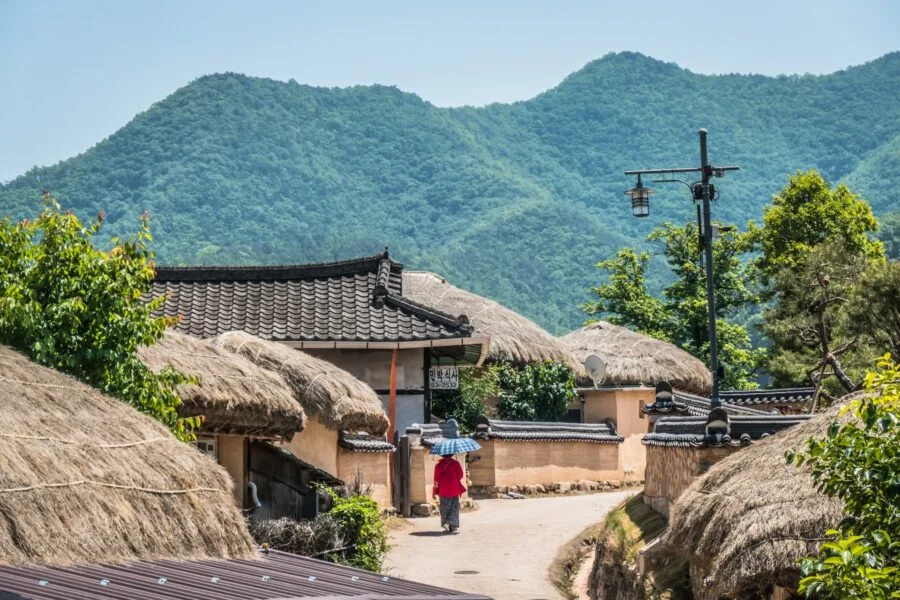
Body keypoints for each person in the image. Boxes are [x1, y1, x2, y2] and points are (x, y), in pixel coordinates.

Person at [432, 452, 465, 534]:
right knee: (454, 508)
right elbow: (460, 475)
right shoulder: (456, 464)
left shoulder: (438, 466)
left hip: (443, 490)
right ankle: (452, 526)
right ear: (452, 454)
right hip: (454, 489)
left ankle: (446, 524)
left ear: (442, 455)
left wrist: (434, 491)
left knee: (444, 508)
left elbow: (436, 480)